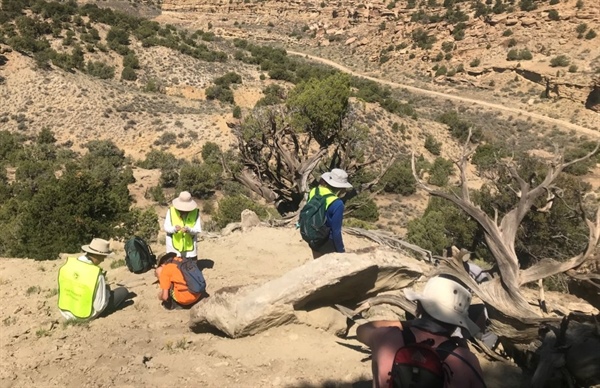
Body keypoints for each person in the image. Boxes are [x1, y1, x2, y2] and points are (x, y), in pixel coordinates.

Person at [356, 276, 486, 388]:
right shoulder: (465, 361)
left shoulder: (387, 337)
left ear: (419, 306)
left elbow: (361, 330)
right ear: (458, 323)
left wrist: (405, 324)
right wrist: (463, 349)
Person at [58, 238, 132, 321]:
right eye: (103, 257)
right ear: (96, 255)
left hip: (65, 311)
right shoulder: (96, 273)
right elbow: (99, 306)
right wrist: (107, 294)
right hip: (85, 315)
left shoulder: (69, 264)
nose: (103, 259)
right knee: (123, 291)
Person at [308, 168, 353, 259]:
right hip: (327, 242)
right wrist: (341, 251)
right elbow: (336, 231)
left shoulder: (314, 191)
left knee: (317, 264)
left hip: (312, 236)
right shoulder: (337, 203)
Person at [164, 191, 202, 260]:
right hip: (173, 249)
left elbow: (197, 229)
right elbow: (166, 228)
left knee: (190, 269)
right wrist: (174, 229)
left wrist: (189, 230)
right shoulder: (171, 211)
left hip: (190, 250)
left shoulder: (195, 213)